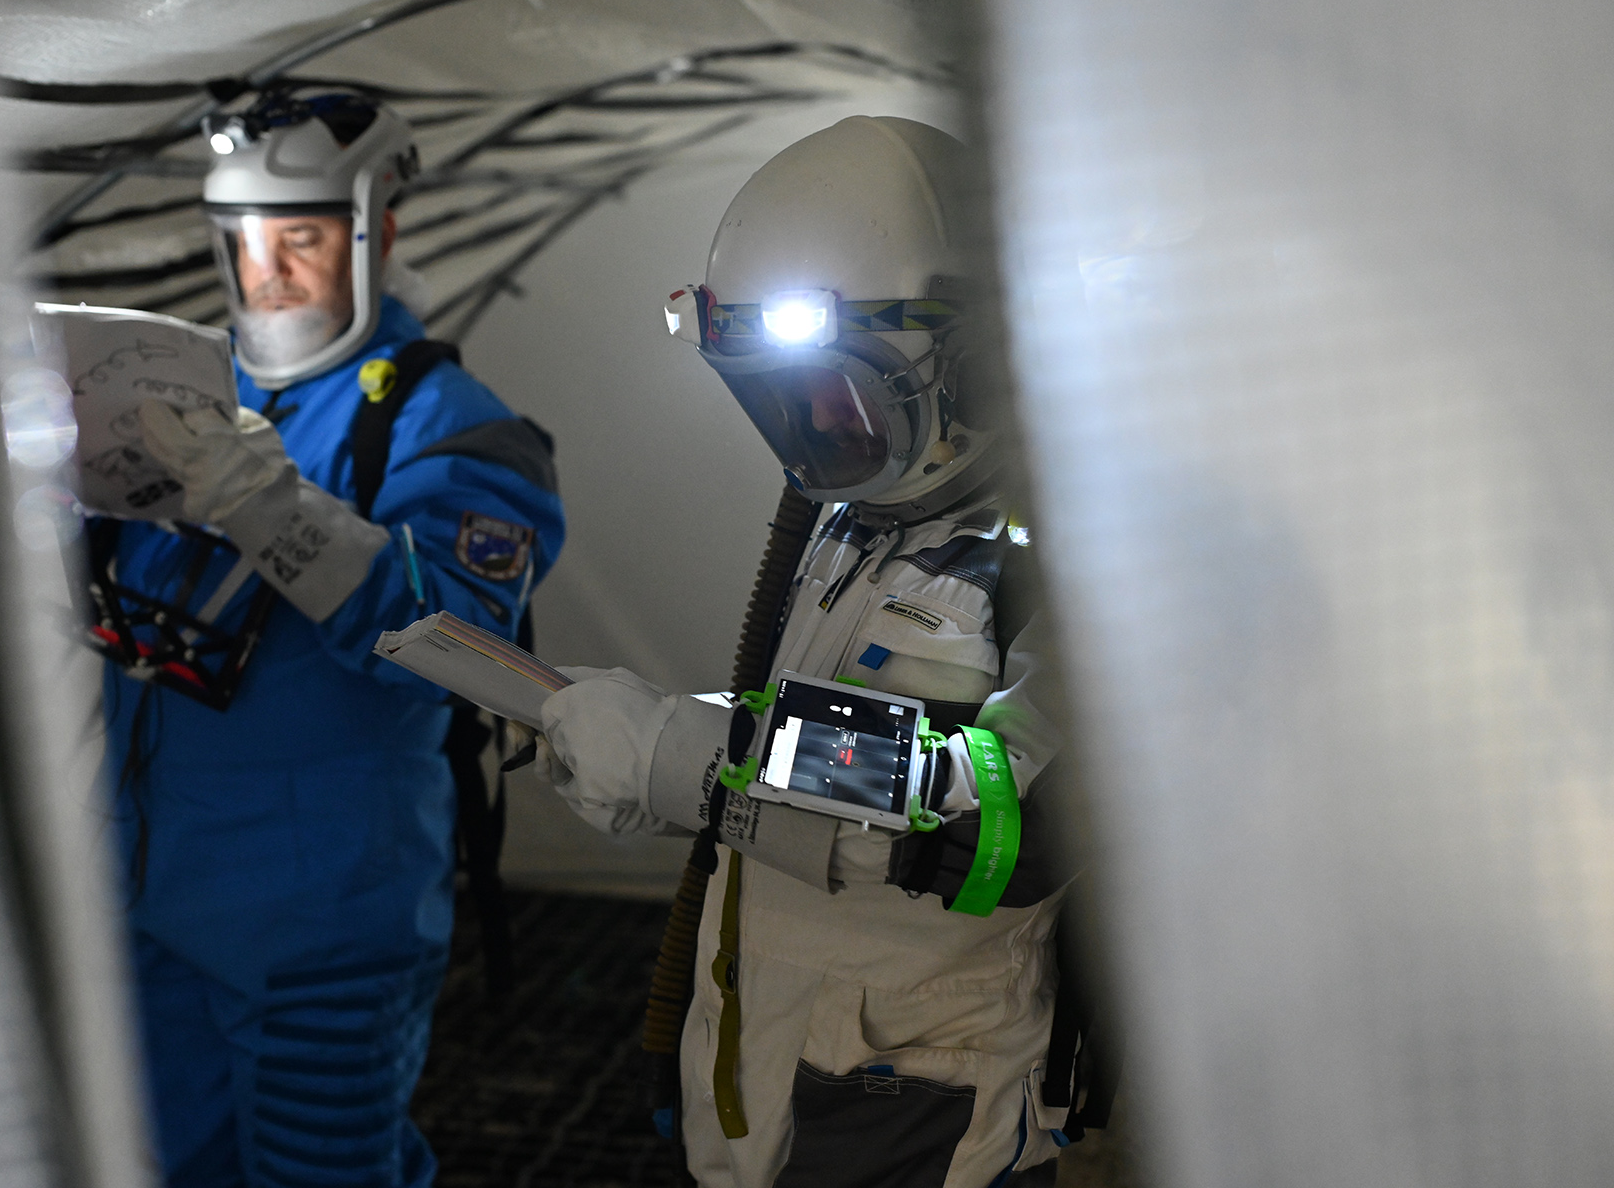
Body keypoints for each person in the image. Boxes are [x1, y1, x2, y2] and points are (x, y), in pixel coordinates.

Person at [533, 116, 1084, 1187]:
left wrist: (685, 756)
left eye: (838, 394)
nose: (813, 433)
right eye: (781, 399)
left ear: (968, 368)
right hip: (769, 1052)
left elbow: (998, 819)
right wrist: (666, 750)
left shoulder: (1075, 557)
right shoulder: (859, 518)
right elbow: (800, 737)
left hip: (922, 1105)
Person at [92, 91, 565, 1187]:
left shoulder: (457, 426)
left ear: (376, 231)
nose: (268, 272)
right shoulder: (177, 390)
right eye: (245, 242)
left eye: (299, 239)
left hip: (319, 915)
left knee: (324, 1172)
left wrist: (270, 507)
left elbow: (465, 646)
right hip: (145, 889)